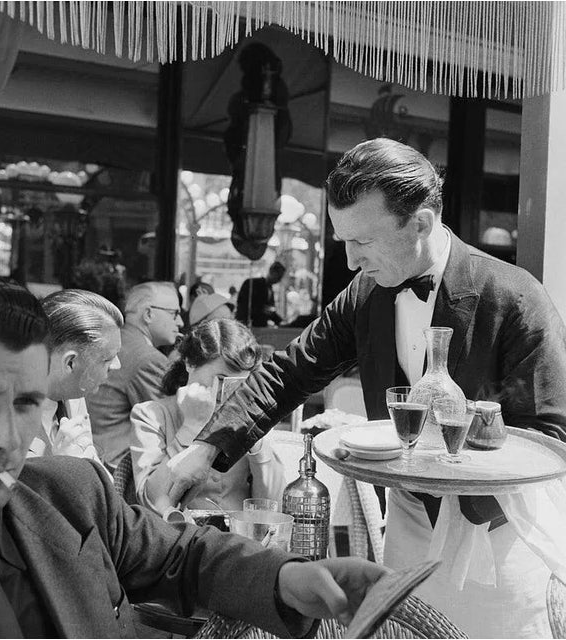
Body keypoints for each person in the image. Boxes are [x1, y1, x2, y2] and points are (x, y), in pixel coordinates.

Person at [166, 138, 566, 638]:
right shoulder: (366, 291)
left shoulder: (515, 295)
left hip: (496, 534)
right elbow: (289, 372)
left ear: (420, 223)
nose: (351, 261)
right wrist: (204, 448)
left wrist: (460, 453)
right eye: (343, 241)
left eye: (364, 242)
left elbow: (551, 436)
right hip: (408, 520)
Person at [0, 274, 386, 638]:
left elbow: (184, 556)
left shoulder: (70, 492)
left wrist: (289, 580)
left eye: (26, 402)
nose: (7, 438)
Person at [131, 318, 285, 515]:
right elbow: (150, 504)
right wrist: (191, 427)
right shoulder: (150, 415)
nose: (229, 392)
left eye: (240, 383)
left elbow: (273, 506)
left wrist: (257, 444)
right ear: (190, 363)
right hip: (181, 537)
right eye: (220, 379)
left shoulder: (250, 410)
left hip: (239, 536)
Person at [87, 281, 183, 470]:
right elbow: (172, 426)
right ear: (148, 314)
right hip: (117, 466)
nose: (180, 322)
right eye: (175, 314)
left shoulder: (119, 339)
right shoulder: (148, 358)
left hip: (96, 454)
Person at [27, 290, 122, 473]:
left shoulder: (73, 394)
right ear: (70, 363)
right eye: (107, 359)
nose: (117, 365)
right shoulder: (0, 413)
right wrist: (62, 470)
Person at [236, 261, 286, 327]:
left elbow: (270, 312)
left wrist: (281, 322)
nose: (279, 280)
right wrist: (261, 310)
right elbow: (243, 304)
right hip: (247, 324)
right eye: (278, 276)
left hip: (260, 326)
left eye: (280, 277)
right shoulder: (251, 283)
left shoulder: (270, 290)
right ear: (271, 271)